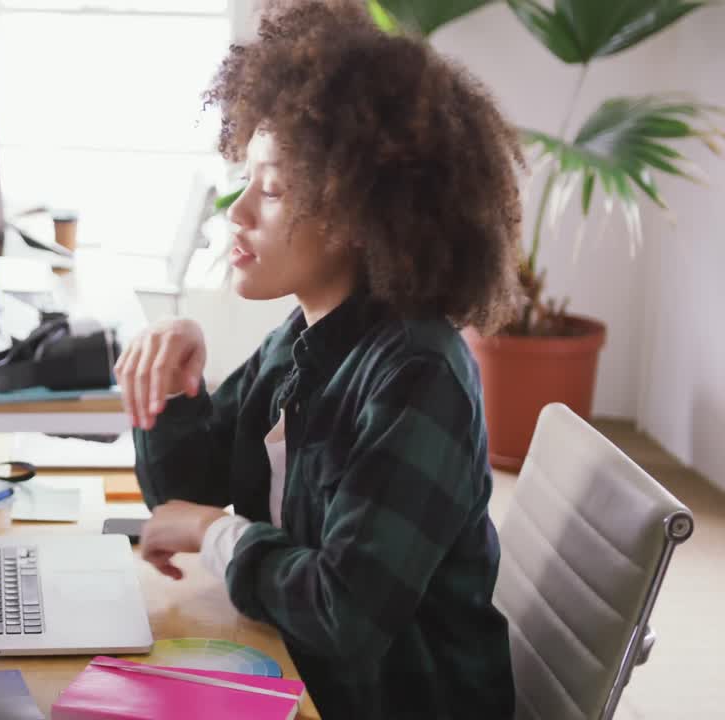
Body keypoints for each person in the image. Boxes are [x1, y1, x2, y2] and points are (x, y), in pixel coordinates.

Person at [113, 1, 521, 717]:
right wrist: (175, 380)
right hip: (306, 679)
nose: (237, 213)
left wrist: (216, 535)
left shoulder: (418, 375)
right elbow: (184, 498)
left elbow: (346, 614)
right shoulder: (304, 339)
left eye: (270, 190)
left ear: (359, 215)